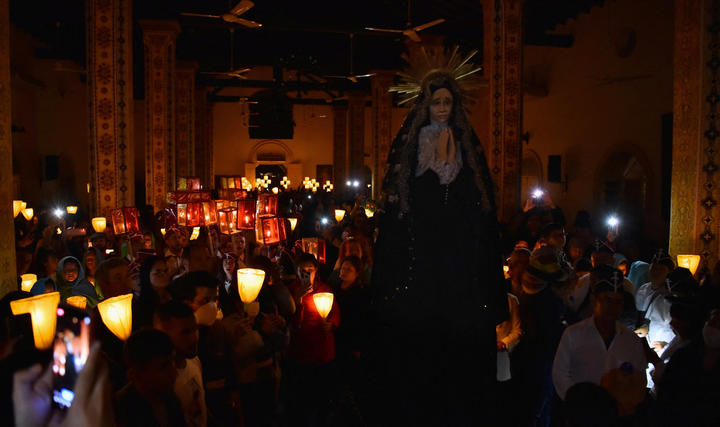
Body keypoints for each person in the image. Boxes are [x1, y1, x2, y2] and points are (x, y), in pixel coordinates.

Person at [369, 51, 507, 424]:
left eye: (448, 101)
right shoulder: (411, 146)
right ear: (425, 103)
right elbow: (398, 201)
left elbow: (480, 202)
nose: (443, 108)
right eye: (437, 101)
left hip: (458, 253)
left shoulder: (467, 147)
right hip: (421, 249)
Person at [552, 276, 647, 410]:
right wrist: (578, 403)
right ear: (593, 300)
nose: (612, 307)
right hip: (581, 411)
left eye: (618, 302)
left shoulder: (631, 340)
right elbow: (560, 373)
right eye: (607, 300)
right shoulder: (573, 334)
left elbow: (639, 377)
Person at [115, 329, 186, 427]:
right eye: (163, 366)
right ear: (135, 374)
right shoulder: (118, 413)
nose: (174, 373)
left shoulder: (171, 401)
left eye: (172, 362)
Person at [154, 301, 206, 427]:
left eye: (195, 329)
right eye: (185, 332)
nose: (194, 338)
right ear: (163, 334)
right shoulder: (161, 382)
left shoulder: (194, 361)